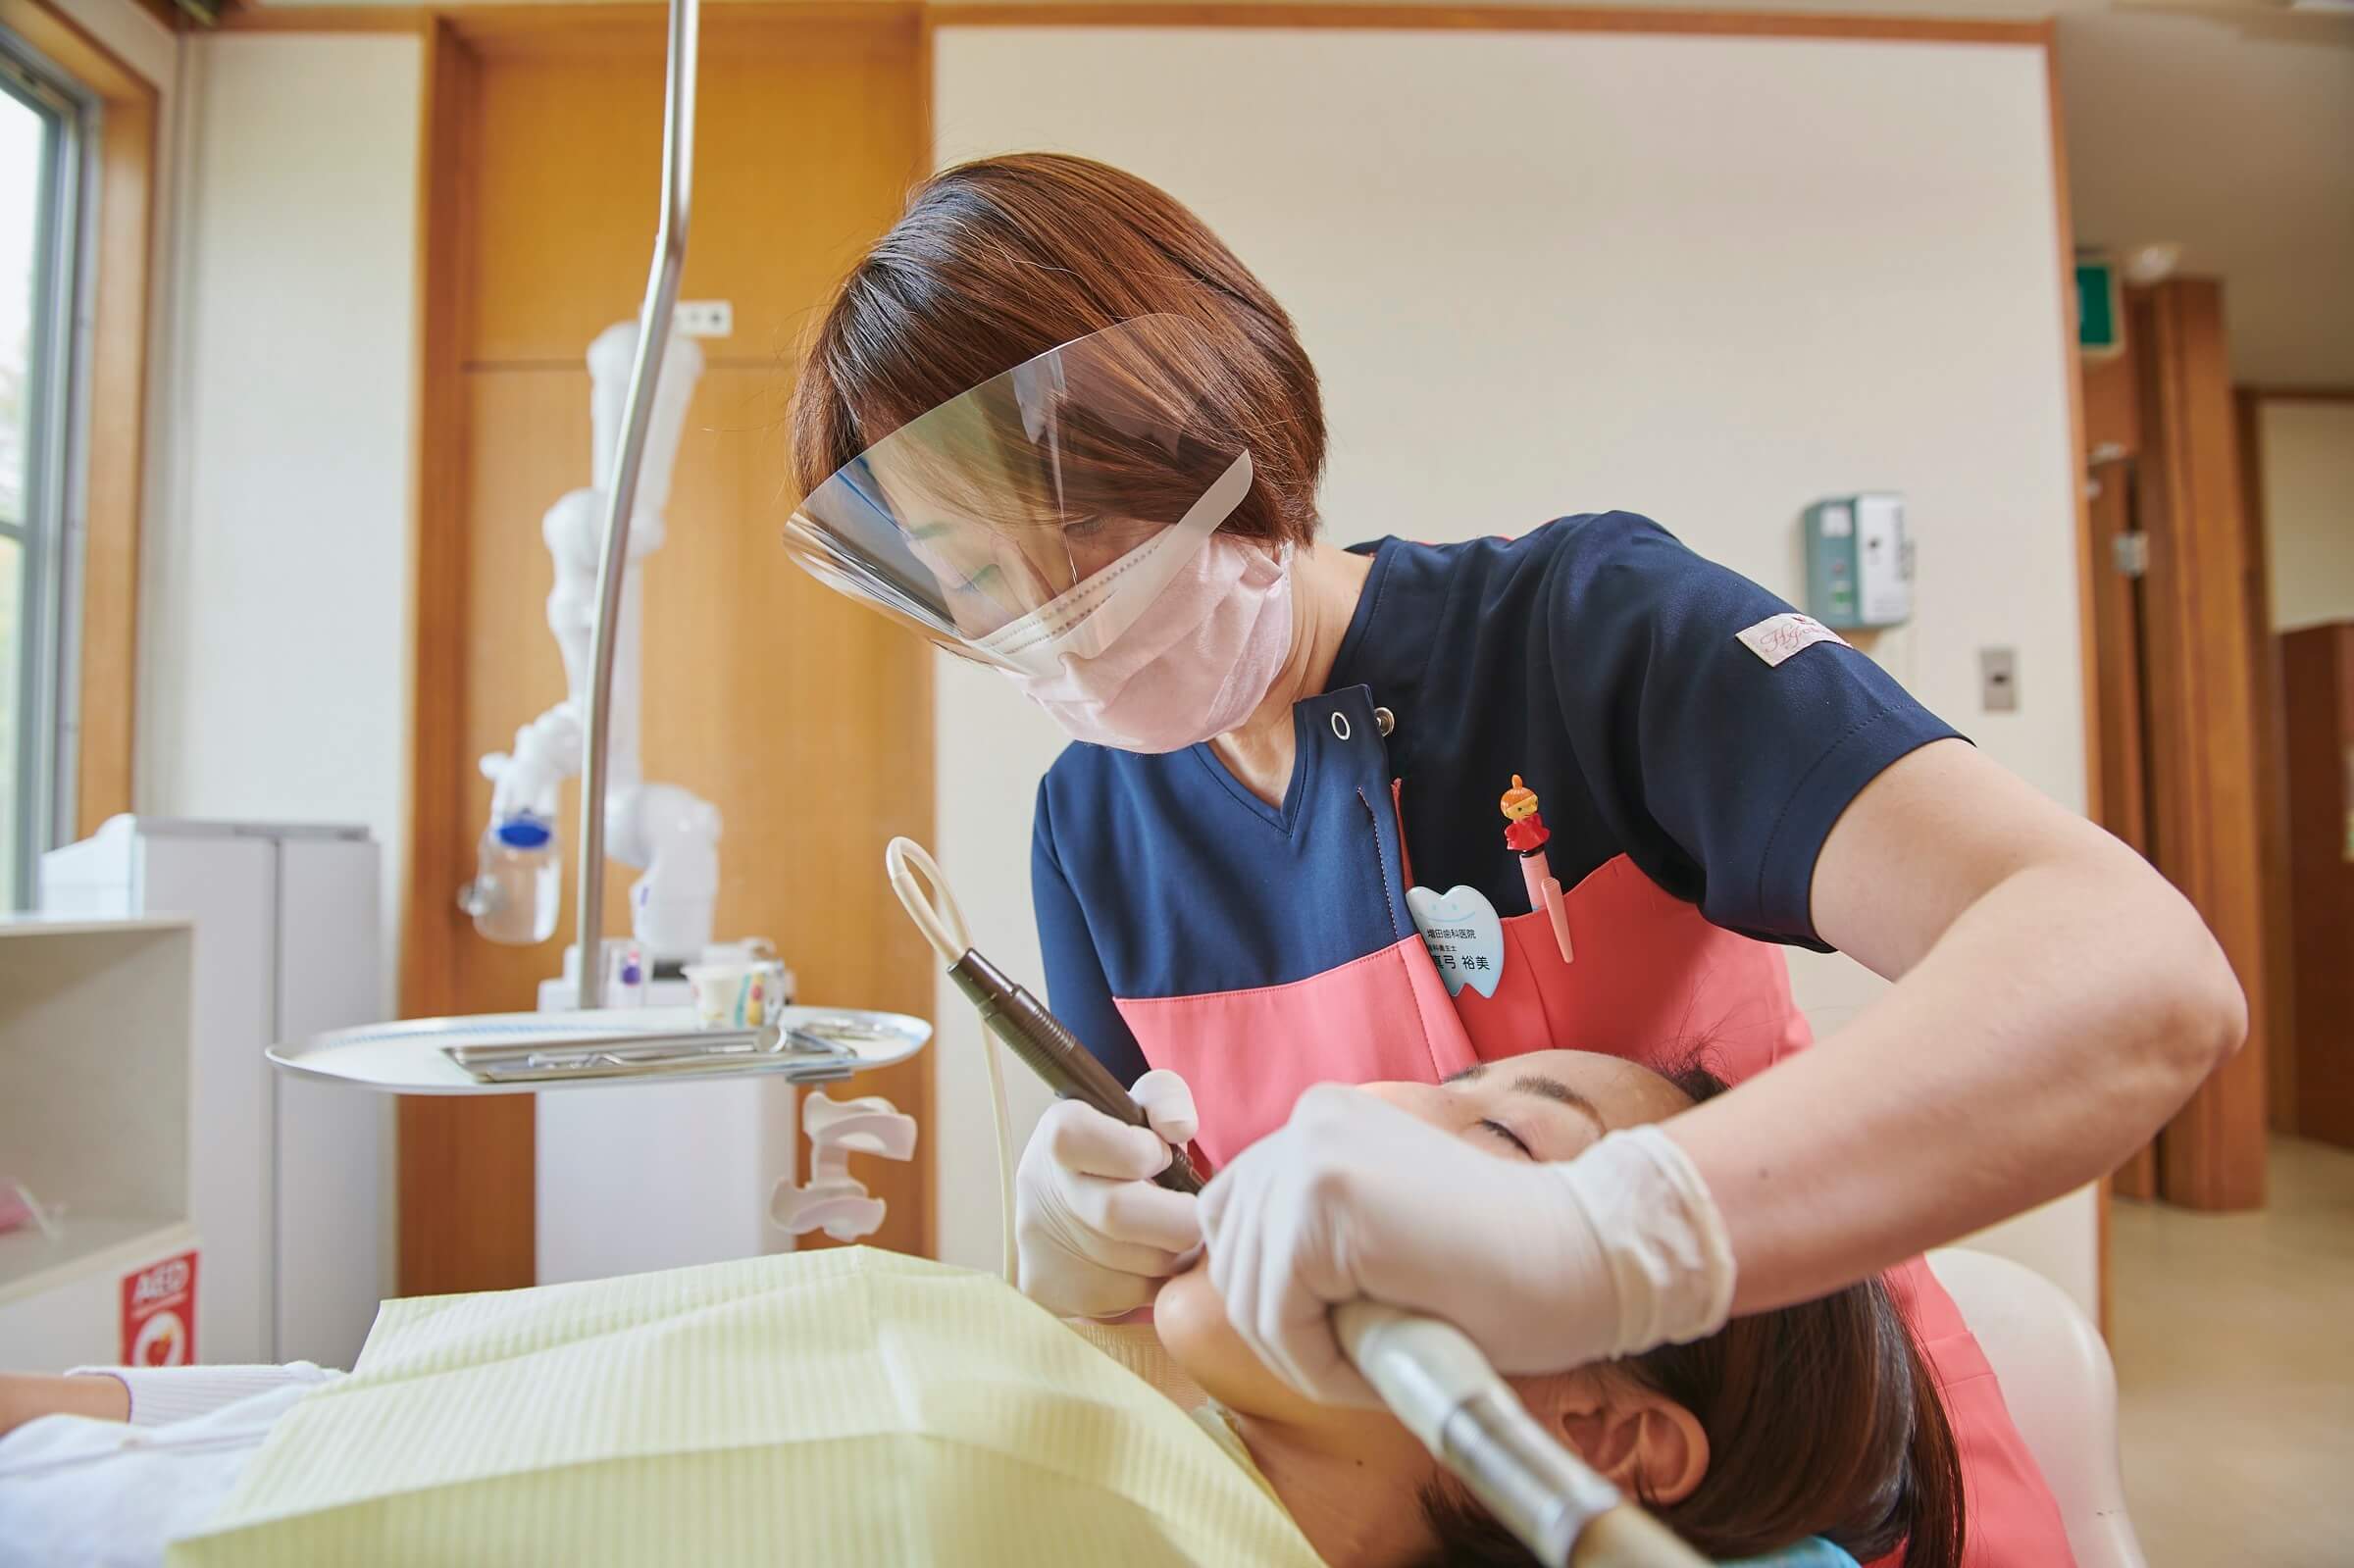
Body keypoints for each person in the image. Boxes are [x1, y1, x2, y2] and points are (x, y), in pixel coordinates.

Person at [783, 152, 2244, 1566]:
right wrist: (1095, 1266)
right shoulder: (1091, 828)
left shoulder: (1586, 633)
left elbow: (2134, 974)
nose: (1055, 622)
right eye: (978, 580)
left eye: (1079, 532)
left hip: (1793, 1501)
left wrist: (1605, 1241)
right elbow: (1192, 1301)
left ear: (1221, 418)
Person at [0, 1052, 1956, 1568]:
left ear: (1602, 1429)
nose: (1351, 1113)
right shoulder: (1099, 1404)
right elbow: (296, 1421)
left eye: (1501, 1134)